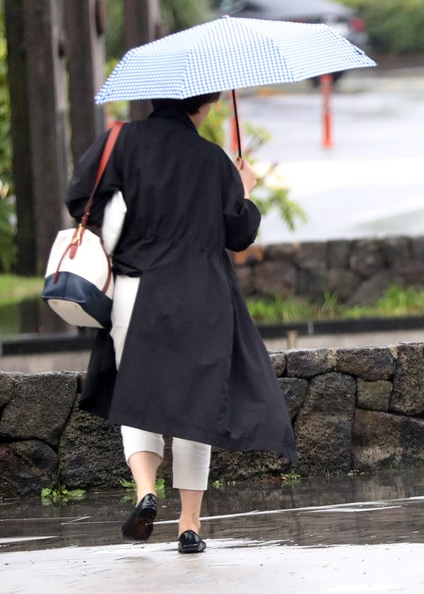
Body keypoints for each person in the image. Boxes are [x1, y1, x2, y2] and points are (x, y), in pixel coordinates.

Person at [66, 92, 297, 554]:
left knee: (138, 393)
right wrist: (244, 188)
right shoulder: (214, 161)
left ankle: (146, 491)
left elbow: (79, 199)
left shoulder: (122, 140)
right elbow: (240, 234)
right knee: (196, 405)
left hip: (136, 288)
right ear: (207, 102)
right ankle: (189, 525)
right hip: (202, 297)